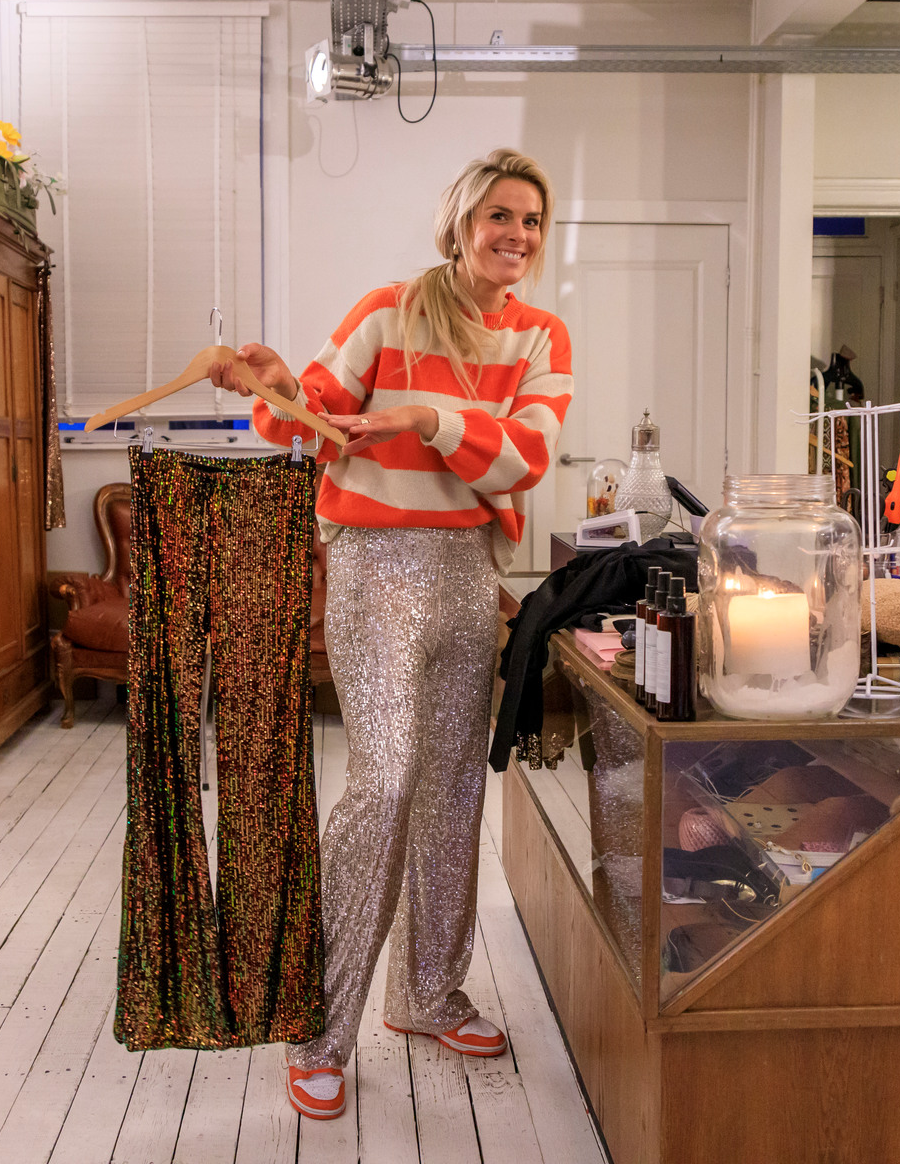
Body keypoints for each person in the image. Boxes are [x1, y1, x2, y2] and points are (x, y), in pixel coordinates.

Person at [208, 147, 572, 1120]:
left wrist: (422, 415)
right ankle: (318, 1028)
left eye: (531, 220)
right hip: (373, 567)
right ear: (460, 222)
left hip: (468, 577)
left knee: (454, 789)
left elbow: (524, 460)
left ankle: (427, 993)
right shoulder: (386, 311)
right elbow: (311, 428)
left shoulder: (541, 336)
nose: (517, 235)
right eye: (499, 215)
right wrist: (277, 383)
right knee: (383, 783)